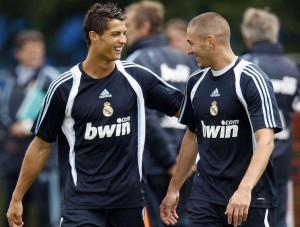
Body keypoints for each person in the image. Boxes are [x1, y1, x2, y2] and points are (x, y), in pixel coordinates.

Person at [6, 3, 184, 227]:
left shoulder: (137, 77)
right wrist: (17, 197)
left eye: (125, 34)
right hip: (82, 206)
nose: (123, 40)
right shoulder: (64, 87)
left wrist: (180, 180)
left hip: (129, 204)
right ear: (94, 36)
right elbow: (41, 145)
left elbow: (188, 113)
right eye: (116, 34)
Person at [160, 12, 283, 227]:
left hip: (250, 198)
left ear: (211, 41)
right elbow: (191, 137)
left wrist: (244, 190)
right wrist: (173, 189)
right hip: (205, 197)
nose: (188, 51)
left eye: (191, 43)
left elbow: (266, 141)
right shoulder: (195, 82)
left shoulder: (251, 78)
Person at [124, 1, 198, 227]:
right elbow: (201, 112)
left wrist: (169, 161)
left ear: (145, 26)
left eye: (128, 24)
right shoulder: (186, 60)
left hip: (155, 164)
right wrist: (190, 159)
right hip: (189, 162)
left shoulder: (137, 61)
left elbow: (145, 117)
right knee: (183, 220)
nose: (123, 31)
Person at [240, 7, 300, 227]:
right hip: (282, 156)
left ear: (247, 35)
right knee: (280, 217)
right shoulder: (292, 68)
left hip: (248, 160)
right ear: (275, 33)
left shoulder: (242, 67)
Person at [0, 29, 60, 227]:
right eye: (30, 49)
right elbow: (3, 114)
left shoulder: (52, 79)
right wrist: (11, 128)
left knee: (48, 217)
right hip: (14, 161)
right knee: (13, 217)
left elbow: (62, 115)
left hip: (44, 162)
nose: (36, 53)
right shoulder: (9, 80)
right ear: (18, 53)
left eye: (39, 48)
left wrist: (32, 127)